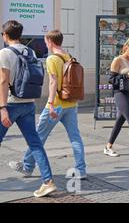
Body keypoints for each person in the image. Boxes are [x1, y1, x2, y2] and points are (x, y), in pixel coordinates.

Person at [9, 30, 87, 180]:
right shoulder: (68, 56)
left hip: (57, 104)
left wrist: (50, 103)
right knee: (75, 137)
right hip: (71, 103)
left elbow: (53, 82)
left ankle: (27, 166)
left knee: (38, 136)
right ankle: (81, 170)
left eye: (46, 41)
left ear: (50, 41)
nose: (45, 44)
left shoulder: (52, 59)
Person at [0, 21, 56, 197]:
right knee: (35, 143)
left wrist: (2, 108)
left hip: (10, 103)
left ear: (5, 35)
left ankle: (48, 182)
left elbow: (3, 81)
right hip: (28, 103)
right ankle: (48, 181)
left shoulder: (5, 53)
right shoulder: (29, 51)